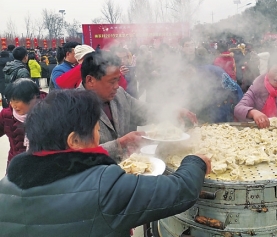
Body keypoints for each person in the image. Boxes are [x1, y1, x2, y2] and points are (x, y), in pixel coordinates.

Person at [0, 89, 211, 236]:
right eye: (95, 129)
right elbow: (180, 190)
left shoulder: (5, 185)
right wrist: (195, 162)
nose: (99, 134)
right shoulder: (104, 186)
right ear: (73, 141)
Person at [79, 51, 197, 162]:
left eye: (118, 80)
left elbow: (143, 111)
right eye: (112, 81)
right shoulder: (73, 108)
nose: (117, 86)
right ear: (90, 80)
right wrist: (119, 144)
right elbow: (77, 156)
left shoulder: (119, 94)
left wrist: (172, 111)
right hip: (97, 177)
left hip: (127, 169)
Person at [0, 79, 46, 169]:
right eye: (11, 100)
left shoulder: (50, 112)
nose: (13, 105)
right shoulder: (7, 114)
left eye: (17, 101)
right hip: (16, 166)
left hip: (43, 167)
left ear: (33, 98)